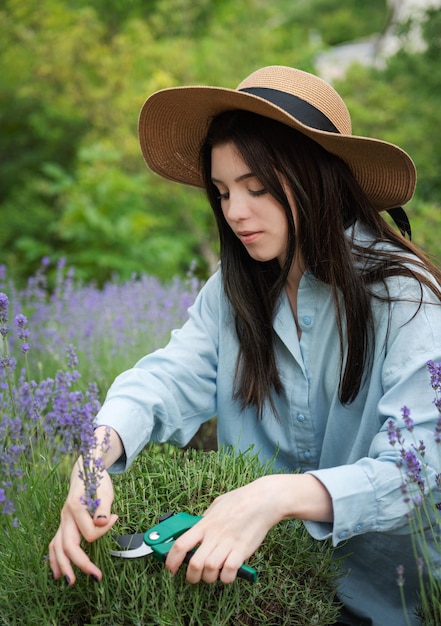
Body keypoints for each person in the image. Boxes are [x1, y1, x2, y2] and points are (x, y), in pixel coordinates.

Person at [49, 66, 441, 625]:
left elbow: (417, 465)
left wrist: (272, 496)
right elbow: (163, 380)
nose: (234, 212)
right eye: (223, 191)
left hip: (397, 601)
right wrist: (92, 465)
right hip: (269, 594)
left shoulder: (404, 296)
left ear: (316, 178)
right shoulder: (232, 292)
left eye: (257, 188)